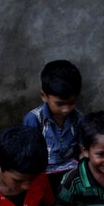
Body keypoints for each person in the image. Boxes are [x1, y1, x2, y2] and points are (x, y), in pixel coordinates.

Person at [23, 59, 84, 195]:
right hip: (43, 173)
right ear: (44, 96)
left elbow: (82, 150)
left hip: (69, 170)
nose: (66, 109)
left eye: (72, 103)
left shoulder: (78, 119)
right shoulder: (34, 119)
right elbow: (30, 155)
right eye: (60, 104)